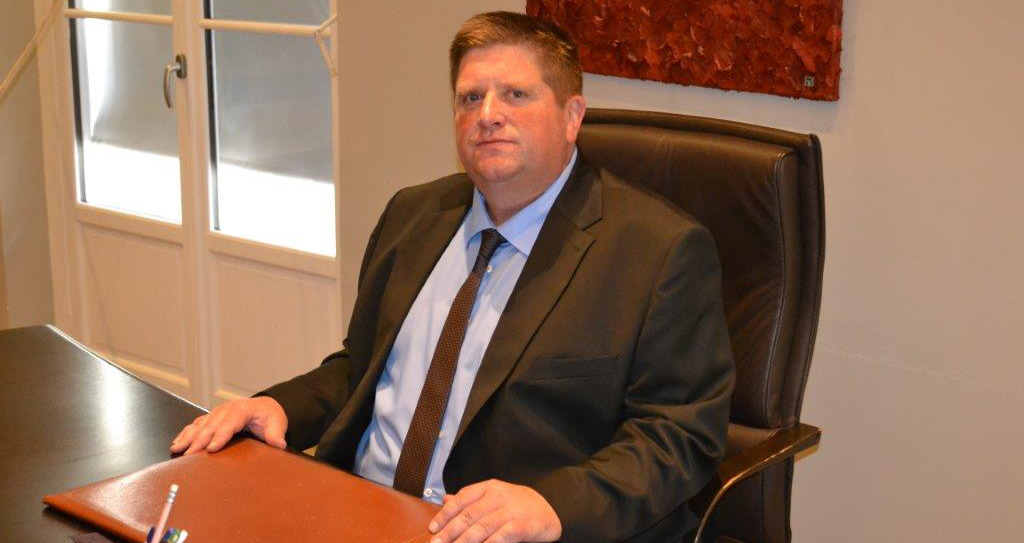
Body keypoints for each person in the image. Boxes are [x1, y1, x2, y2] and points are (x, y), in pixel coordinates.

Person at [170, 11, 734, 543]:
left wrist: (553, 505)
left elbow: (678, 436)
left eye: (516, 94)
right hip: (358, 507)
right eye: (470, 97)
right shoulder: (413, 214)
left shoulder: (657, 251)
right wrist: (280, 408)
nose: (488, 114)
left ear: (572, 116)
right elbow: (363, 367)